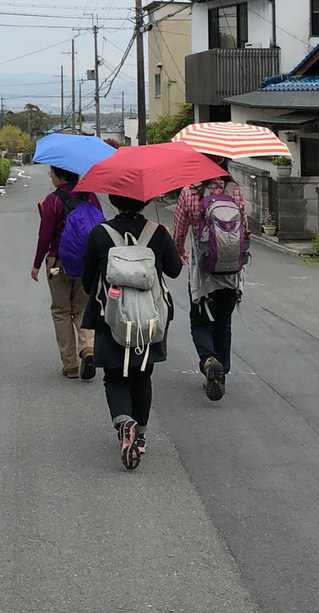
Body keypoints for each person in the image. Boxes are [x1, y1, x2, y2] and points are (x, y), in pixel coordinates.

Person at [81, 196, 181, 468]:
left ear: (113, 200)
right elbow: (174, 270)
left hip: (111, 317)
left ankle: (125, 422)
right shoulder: (157, 232)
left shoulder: (100, 233)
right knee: (142, 375)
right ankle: (141, 436)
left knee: (114, 376)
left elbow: (87, 281)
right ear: (145, 201)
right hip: (149, 318)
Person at [172, 159, 248, 402]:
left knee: (200, 321)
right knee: (223, 322)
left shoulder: (189, 191)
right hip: (230, 268)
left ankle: (208, 360)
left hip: (202, 271)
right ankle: (221, 372)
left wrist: (179, 253)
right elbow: (244, 228)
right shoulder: (234, 189)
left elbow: (179, 232)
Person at [32, 166, 97, 380]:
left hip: (58, 262)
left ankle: (70, 366)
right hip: (86, 263)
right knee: (82, 308)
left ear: (60, 176)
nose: (50, 177)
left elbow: (45, 235)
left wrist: (36, 264)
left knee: (61, 311)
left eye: (51, 173)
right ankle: (88, 348)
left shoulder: (53, 200)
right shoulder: (90, 196)